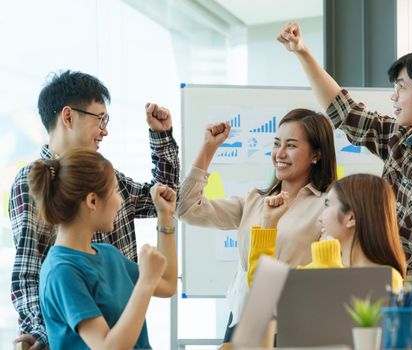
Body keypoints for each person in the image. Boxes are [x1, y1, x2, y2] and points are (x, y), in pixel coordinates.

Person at [277, 22, 412, 345]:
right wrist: (303, 53)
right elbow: (344, 111)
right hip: (377, 289)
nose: (394, 96)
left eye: (402, 87)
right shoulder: (399, 138)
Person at [9, 70, 180, 350]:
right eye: (100, 118)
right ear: (68, 116)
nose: (105, 130)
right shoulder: (32, 185)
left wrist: (161, 138)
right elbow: (28, 271)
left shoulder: (104, 179)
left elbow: (165, 198)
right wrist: (41, 334)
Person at [177, 108, 337, 342]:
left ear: (316, 155)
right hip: (244, 321)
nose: (279, 153)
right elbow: (187, 209)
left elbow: (324, 276)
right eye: (276, 143)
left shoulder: (329, 206)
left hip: (293, 325)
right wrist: (209, 148)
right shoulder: (255, 201)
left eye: (291, 145)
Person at [27, 148, 178, 349]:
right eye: (115, 191)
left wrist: (165, 215)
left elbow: (167, 284)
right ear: (92, 201)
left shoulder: (108, 254)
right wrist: (146, 282)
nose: (120, 200)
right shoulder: (62, 272)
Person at [248, 174, 406, 292]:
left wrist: (326, 264)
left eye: (328, 205)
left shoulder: (388, 279)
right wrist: (269, 224)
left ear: (351, 218)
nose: (320, 217)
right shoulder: (322, 264)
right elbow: (262, 292)